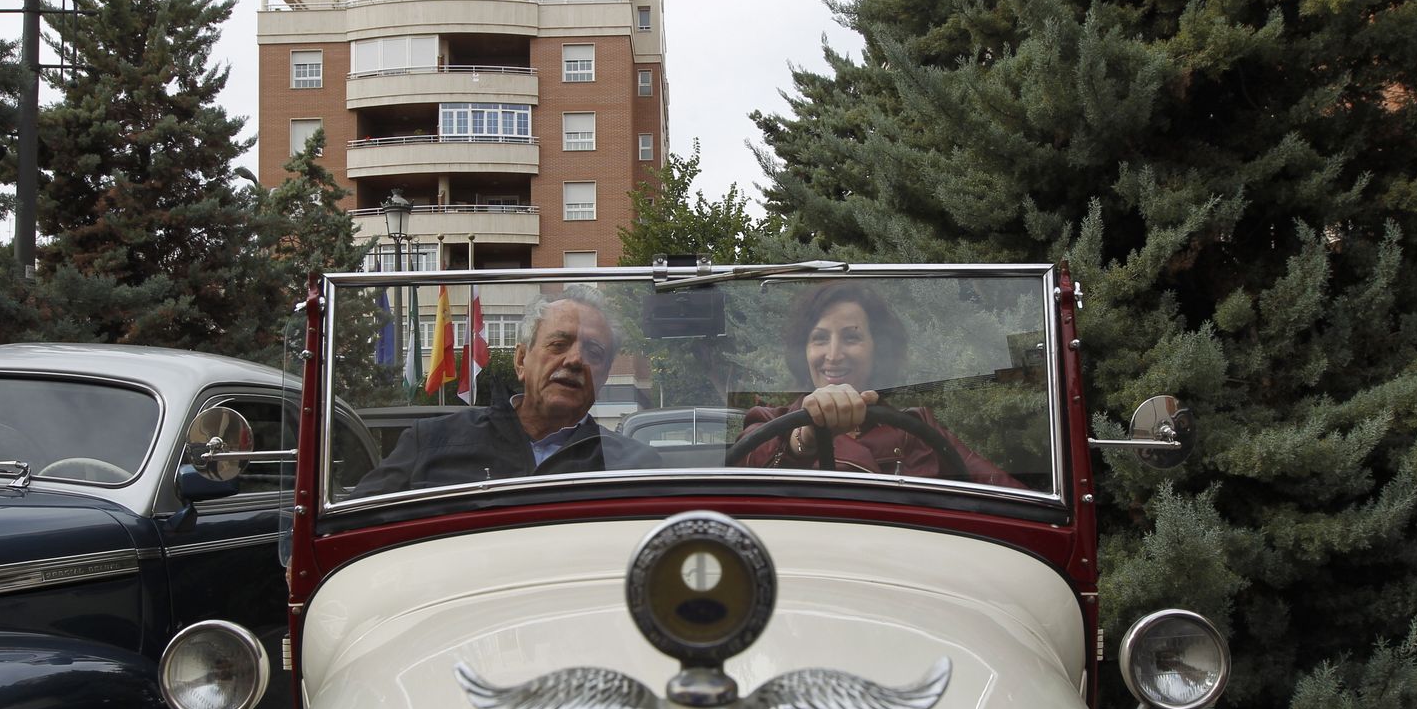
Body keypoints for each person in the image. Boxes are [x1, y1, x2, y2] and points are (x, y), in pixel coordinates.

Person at [352, 285, 660, 495]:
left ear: (604, 376)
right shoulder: (431, 442)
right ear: (521, 360)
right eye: (559, 344)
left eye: (594, 351)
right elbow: (353, 536)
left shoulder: (637, 468)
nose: (577, 359)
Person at [736, 282, 1021, 486]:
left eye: (851, 337)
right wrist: (806, 437)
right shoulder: (769, 423)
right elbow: (735, 480)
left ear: (878, 351)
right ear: (804, 351)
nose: (833, 356)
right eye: (820, 338)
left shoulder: (918, 428)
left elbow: (1008, 496)